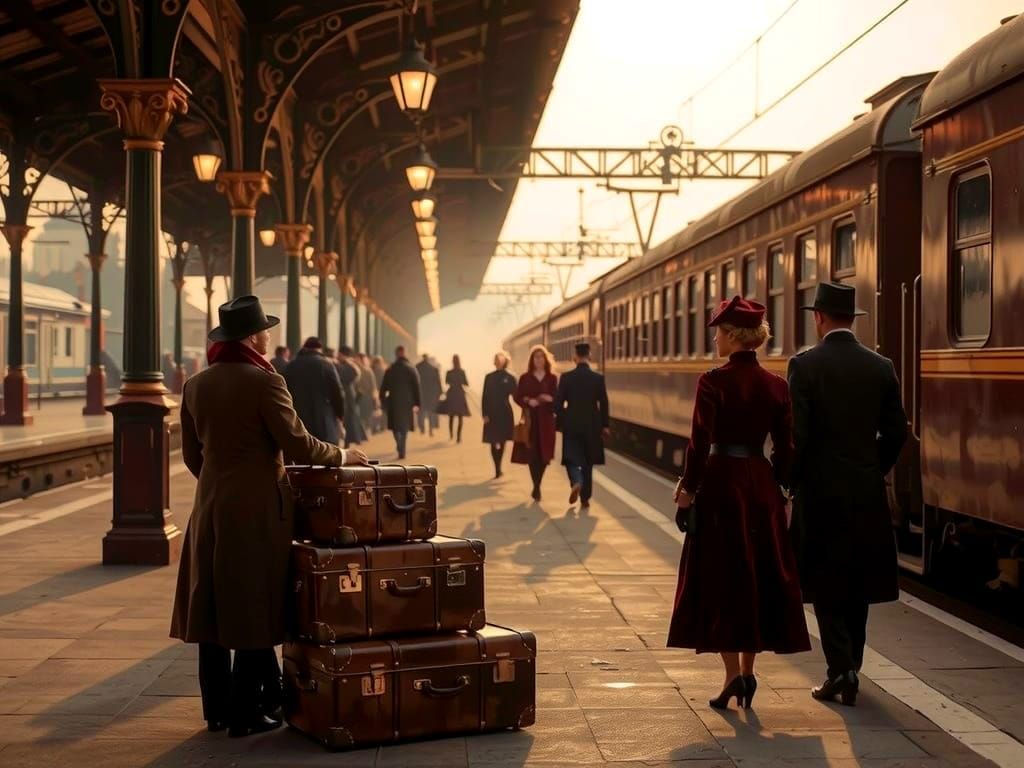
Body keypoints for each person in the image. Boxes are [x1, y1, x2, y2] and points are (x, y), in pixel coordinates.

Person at [170, 295, 368, 738]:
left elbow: (190, 455)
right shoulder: (264, 382)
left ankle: (217, 708)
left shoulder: (196, 384)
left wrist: (220, 483)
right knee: (253, 603)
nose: (268, 337)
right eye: (265, 330)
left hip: (209, 504)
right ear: (254, 337)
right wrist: (343, 455)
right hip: (257, 509)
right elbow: (298, 444)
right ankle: (245, 713)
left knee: (213, 606)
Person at [668, 296, 811, 710]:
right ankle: (748, 674)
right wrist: (782, 487)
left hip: (720, 487)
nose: (715, 339)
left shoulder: (712, 381)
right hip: (760, 486)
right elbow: (786, 448)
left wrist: (688, 491)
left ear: (732, 335)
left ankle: (732, 675)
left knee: (721, 578)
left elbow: (699, 444)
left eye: (718, 332)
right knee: (759, 576)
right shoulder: (777, 385)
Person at [788, 282, 907, 706]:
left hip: (820, 491)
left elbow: (797, 436)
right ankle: (850, 666)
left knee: (824, 581)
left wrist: (789, 479)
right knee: (857, 581)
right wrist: (873, 466)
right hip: (864, 488)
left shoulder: (805, 366)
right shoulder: (881, 366)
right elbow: (898, 432)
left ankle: (841, 670)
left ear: (818, 317)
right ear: (851, 319)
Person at [553, 342, 609, 508]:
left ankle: (576, 481)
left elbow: (557, 404)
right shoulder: (598, 378)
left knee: (571, 458)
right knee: (588, 462)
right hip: (592, 425)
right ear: (589, 357)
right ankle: (585, 498)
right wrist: (605, 425)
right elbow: (604, 403)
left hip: (571, 424)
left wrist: (565, 417)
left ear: (574, 357)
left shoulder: (566, 377)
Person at [511, 345, 558, 502]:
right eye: (536, 357)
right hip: (531, 421)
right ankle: (536, 486)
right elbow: (517, 396)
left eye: (541, 357)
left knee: (544, 457)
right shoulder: (525, 377)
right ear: (532, 360)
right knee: (532, 455)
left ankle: (538, 483)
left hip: (546, 421)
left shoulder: (552, 378)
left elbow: (557, 398)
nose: (539, 360)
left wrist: (549, 399)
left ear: (546, 359)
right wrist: (528, 401)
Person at [282, 337, 346, 446]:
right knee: (326, 455)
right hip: (323, 421)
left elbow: (284, 392)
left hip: (298, 420)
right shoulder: (326, 365)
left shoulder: (291, 366)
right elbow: (337, 393)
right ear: (320, 349)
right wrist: (340, 416)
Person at [380, 345, 421, 459]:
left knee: (395, 426)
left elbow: (383, 388)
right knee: (404, 427)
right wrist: (417, 403)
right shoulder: (411, 369)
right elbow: (416, 387)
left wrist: (383, 402)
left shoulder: (390, 369)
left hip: (393, 402)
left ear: (395, 354)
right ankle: (402, 448)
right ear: (405, 353)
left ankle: (399, 445)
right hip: (408, 403)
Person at [481, 351, 517, 479]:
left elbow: (516, 394)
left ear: (505, 361)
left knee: (502, 441)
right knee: (492, 440)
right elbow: (484, 396)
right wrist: (484, 414)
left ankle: (499, 467)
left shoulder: (510, 377)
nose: (497, 361)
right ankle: (496, 468)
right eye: (495, 359)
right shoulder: (489, 377)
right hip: (491, 412)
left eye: (499, 359)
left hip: (505, 412)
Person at [336, 346, 367, 447]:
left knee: (348, 420)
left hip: (347, 396)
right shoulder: (352, 366)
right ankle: (347, 441)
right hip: (349, 396)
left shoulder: (345, 366)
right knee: (349, 419)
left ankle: (347, 441)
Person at [443, 354, 471, 442]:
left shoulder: (449, 372)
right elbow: (466, 383)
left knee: (451, 416)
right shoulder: (462, 372)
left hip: (451, 394)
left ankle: (451, 435)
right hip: (459, 395)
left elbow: (446, 382)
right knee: (460, 416)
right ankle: (458, 437)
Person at [415, 353, 442, 436]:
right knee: (431, 412)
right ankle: (430, 429)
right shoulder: (433, 369)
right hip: (431, 394)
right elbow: (438, 382)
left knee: (421, 412)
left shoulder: (417, 368)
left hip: (421, 392)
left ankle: (422, 428)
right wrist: (440, 393)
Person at [355, 354, 379, 437]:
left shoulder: (356, 370)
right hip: (367, 397)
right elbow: (373, 387)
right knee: (367, 416)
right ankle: (366, 432)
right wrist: (375, 398)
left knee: (361, 416)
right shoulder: (368, 371)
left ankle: (363, 432)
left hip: (359, 397)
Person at [371, 356, 387, 433]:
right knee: (379, 410)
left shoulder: (373, 370)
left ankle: (376, 426)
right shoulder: (383, 370)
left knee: (376, 410)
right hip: (380, 392)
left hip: (377, 392)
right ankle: (380, 426)